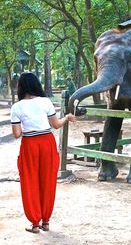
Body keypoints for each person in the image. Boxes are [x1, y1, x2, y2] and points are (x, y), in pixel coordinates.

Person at [10, 72, 76, 234]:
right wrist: (67, 117)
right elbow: (55, 125)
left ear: (20, 87)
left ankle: (35, 223)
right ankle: (46, 221)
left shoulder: (16, 107)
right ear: (36, 85)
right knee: (47, 180)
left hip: (30, 145)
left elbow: (17, 134)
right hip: (47, 142)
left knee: (30, 181)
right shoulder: (45, 102)